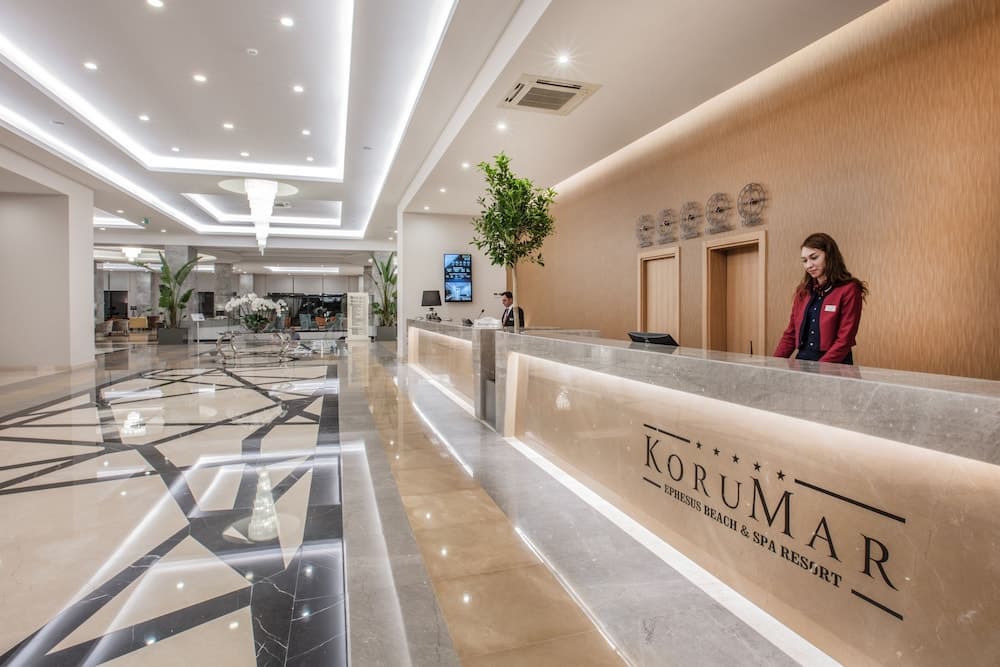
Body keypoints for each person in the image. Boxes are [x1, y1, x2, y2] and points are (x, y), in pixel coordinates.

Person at [774, 233, 868, 364]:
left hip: (835, 364)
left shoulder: (849, 289)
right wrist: (773, 364)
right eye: (804, 260)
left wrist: (820, 369)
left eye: (814, 258)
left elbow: (844, 340)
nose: (808, 265)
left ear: (829, 255)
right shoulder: (803, 291)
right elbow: (791, 334)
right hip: (803, 362)